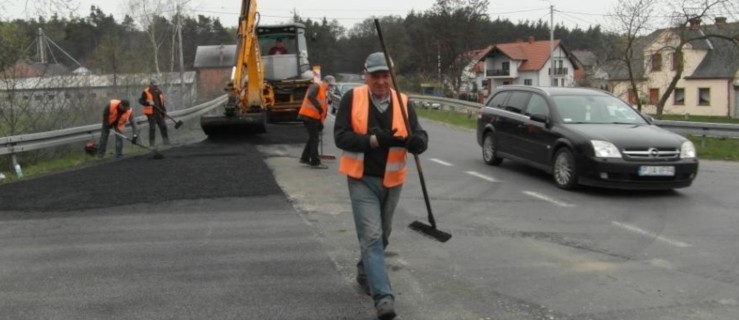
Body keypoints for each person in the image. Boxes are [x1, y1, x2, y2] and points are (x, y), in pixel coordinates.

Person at [333, 52, 428, 320]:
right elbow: (340, 137)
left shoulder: (404, 102)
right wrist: (374, 141)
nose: (381, 81)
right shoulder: (353, 99)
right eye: (376, 76)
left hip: (393, 181)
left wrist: (418, 142)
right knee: (372, 237)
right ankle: (383, 298)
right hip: (361, 179)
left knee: (382, 235)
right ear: (366, 76)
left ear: (392, 76)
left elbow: (419, 132)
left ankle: (365, 270)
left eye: (386, 76)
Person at [298, 75, 336, 169]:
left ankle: (305, 158)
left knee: (312, 138)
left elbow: (324, 108)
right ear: (325, 82)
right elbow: (311, 96)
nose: (330, 87)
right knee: (314, 139)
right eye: (330, 85)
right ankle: (315, 162)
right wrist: (318, 107)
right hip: (308, 116)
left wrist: (320, 122)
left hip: (314, 117)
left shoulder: (324, 91)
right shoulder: (316, 86)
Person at [138, 78, 170, 146]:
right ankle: (152, 145)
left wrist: (164, 111)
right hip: (151, 113)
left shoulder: (159, 91)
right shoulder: (145, 91)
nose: (156, 86)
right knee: (152, 128)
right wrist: (148, 102)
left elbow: (162, 103)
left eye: (156, 85)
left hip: (159, 112)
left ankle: (166, 142)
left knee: (163, 126)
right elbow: (141, 101)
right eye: (154, 85)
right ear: (151, 84)